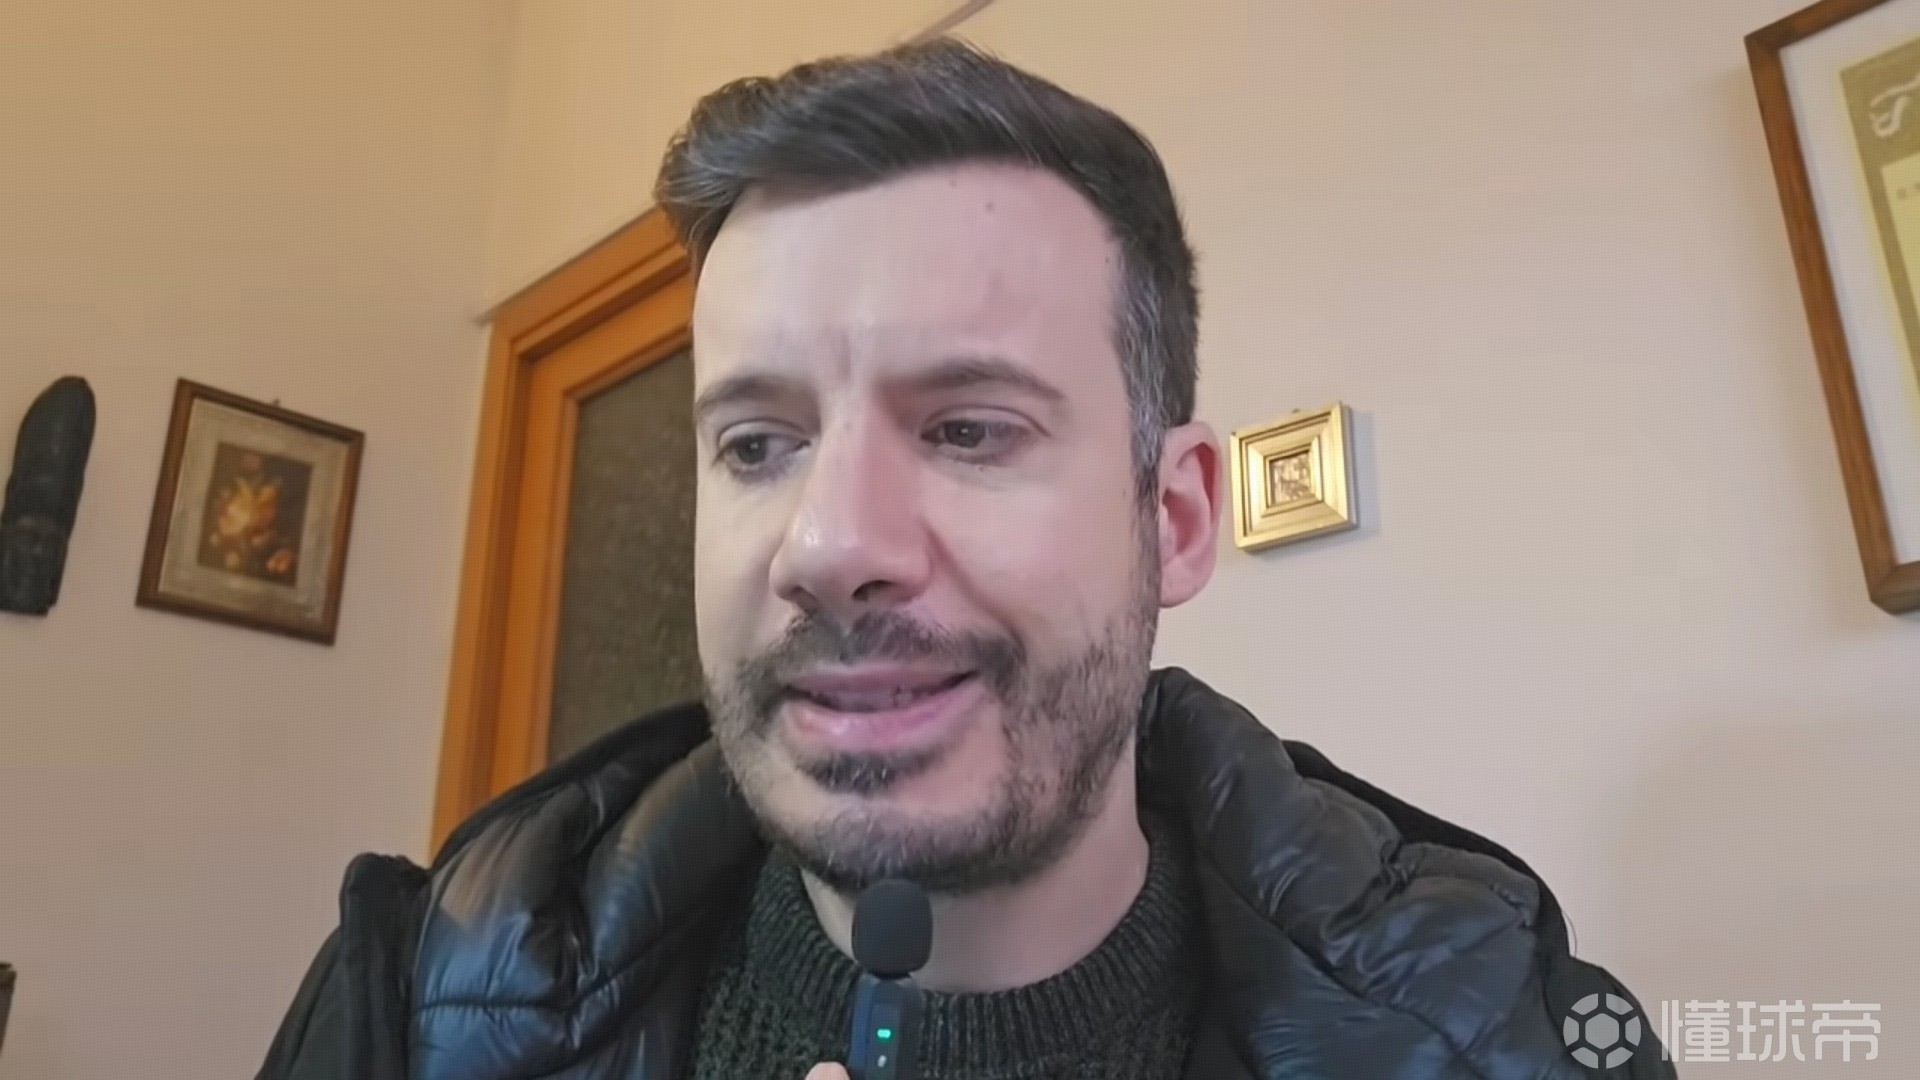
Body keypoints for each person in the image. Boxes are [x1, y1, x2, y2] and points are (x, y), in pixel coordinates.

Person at [256, 38, 1672, 1080]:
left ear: (1176, 518)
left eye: (969, 430)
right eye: (757, 444)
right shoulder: (420, 1003)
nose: (829, 546)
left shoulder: (1508, 1039)